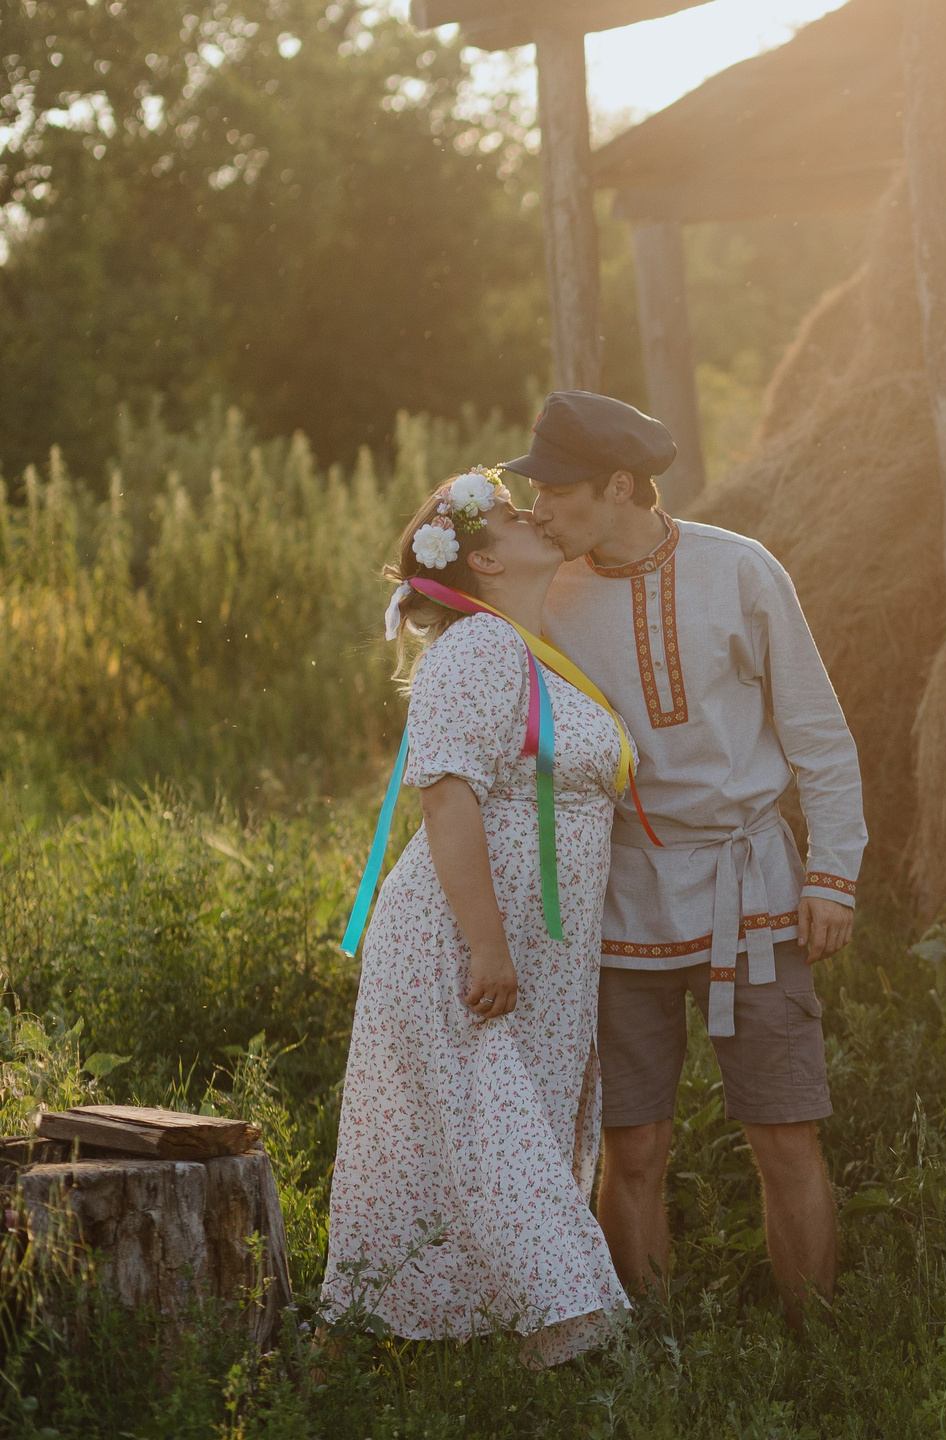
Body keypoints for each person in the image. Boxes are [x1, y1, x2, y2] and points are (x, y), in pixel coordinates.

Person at [513, 391, 866, 1319]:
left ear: (618, 485)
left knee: (784, 1135)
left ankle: (819, 1345)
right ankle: (647, 1354)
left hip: (751, 890)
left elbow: (819, 735)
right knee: (632, 1147)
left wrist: (832, 876)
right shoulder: (545, 592)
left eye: (556, 490)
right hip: (619, 896)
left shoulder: (740, 570)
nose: (539, 509)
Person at [323, 471, 634, 1367]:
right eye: (506, 513)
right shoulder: (481, 647)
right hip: (459, 935)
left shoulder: (536, 649)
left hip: (540, 944)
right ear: (486, 561)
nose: (530, 511)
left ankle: (460, 1349)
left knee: (498, 1136)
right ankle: (575, 1338)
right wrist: (488, 945)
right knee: (498, 1135)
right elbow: (447, 797)